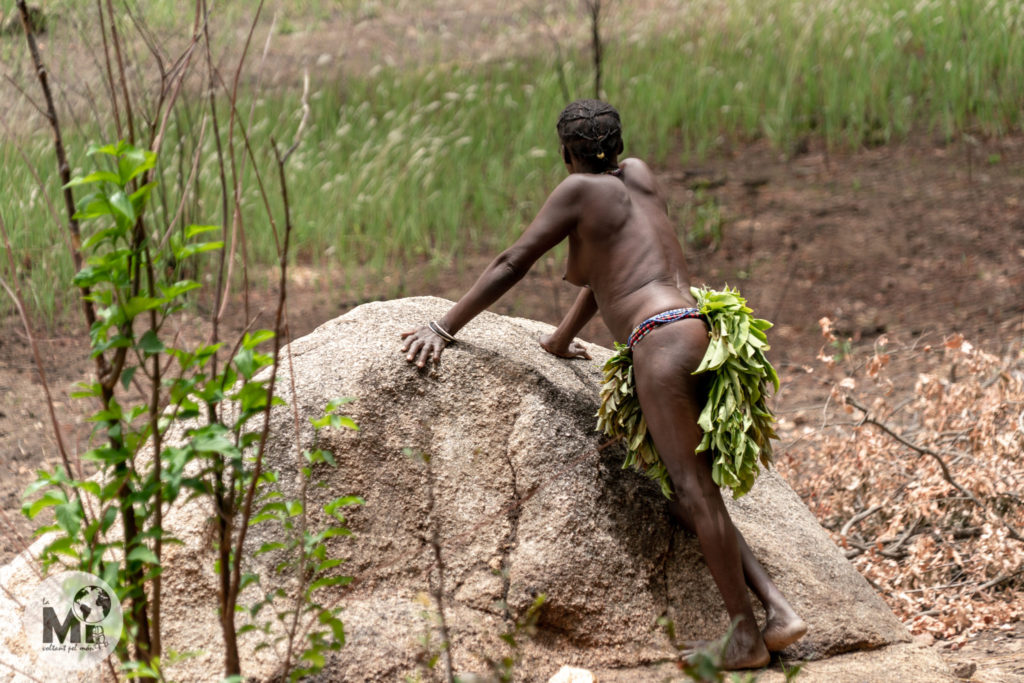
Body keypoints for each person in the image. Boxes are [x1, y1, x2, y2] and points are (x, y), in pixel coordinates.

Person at [401, 99, 806, 669]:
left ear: (567, 152)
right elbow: (609, 273)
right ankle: (778, 609)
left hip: (657, 345)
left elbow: (513, 261)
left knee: (692, 491)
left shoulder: (577, 192)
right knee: (691, 497)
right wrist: (562, 340)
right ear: (617, 145)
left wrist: (443, 325)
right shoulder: (638, 174)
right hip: (697, 330)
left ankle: (745, 637)